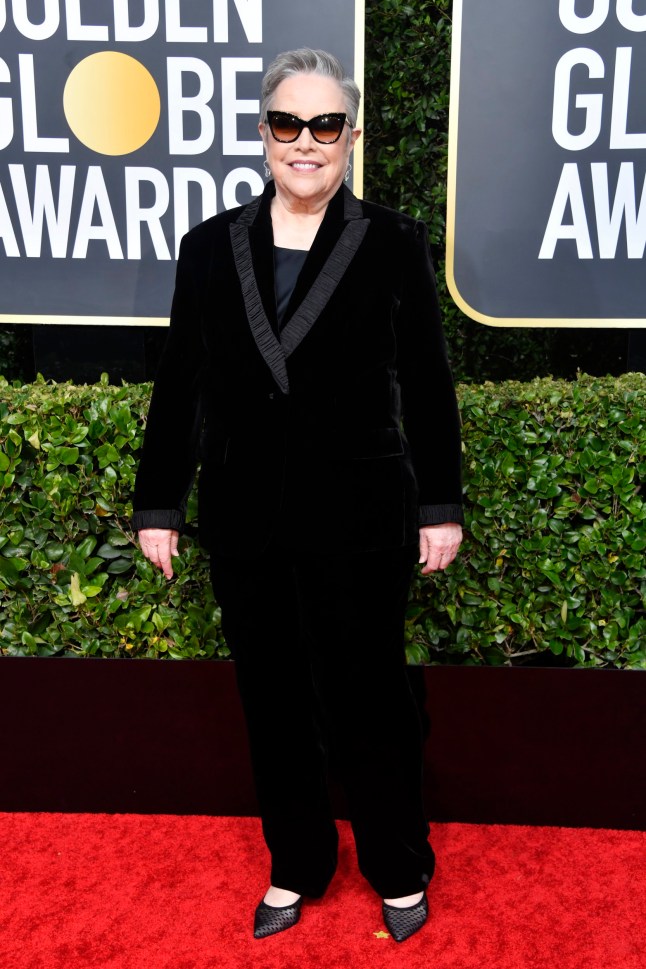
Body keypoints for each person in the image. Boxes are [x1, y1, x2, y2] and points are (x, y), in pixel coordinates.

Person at [132, 48, 463, 943]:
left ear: (350, 138)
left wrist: (441, 503)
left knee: (370, 697)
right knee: (272, 699)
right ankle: (298, 861)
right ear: (264, 133)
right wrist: (159, 503)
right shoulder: (210, 246)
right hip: (246, 517)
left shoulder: (391, 240)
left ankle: (398, 863)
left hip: (362, 518)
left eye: (325, 125)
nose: (305, 142)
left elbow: (428, 381)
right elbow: (181, 381)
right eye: (288, 123)